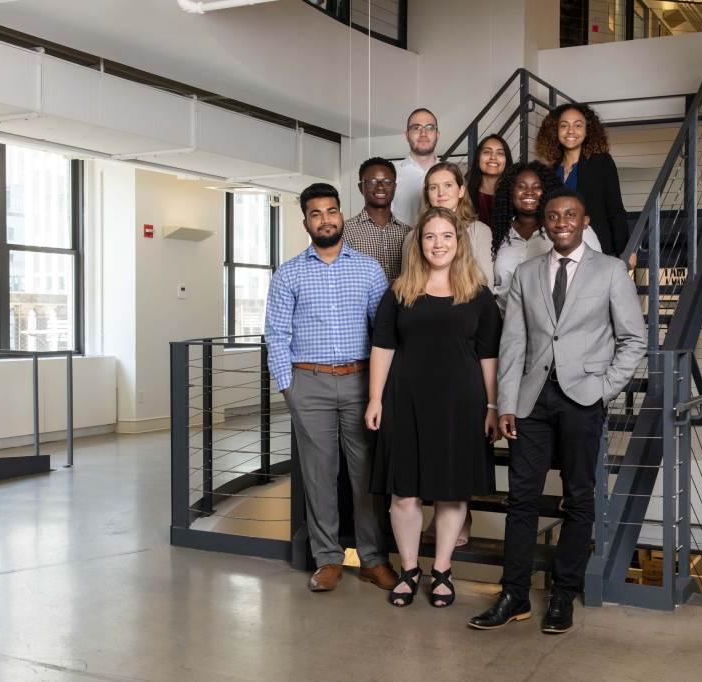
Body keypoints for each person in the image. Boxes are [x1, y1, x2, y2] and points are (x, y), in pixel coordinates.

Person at [468, 188, 646, 634]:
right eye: (553, 215)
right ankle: (514, 594)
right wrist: (506, 402)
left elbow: (634, 339)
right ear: (544, 223)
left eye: (570, 214)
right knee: (522, 499)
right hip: (531, 400)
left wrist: (603, 390)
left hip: (583, 399)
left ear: (585, 221)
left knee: (580, 499)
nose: (561, 221)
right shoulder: (527, 273)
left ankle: (563, 594)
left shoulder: (610, 271)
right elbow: (513, 343)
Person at [264, 182, 398, 594]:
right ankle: (328, 558)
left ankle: (373, 559)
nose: (325, 219)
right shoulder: (289, 273)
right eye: (316, 213)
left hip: (360, 383)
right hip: (310, 384)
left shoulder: (369, 269)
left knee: (365, 476)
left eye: (331, 211)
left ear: (342, 215)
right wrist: (290, 388)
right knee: (320, 476)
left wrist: (381, 389)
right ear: (305, 221)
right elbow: (275, 333)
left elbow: (384, 332)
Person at [367, 206, 501, 608]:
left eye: (446, 236)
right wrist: (375, 399)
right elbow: (382, 346)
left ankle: (442, 569)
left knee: (451, 493)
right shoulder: (399, 291)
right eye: (430, 236)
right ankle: (409, 569)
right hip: (404, 401)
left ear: (458, 243)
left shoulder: (479, 295)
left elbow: (489, 355)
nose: (438, 244)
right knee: (403, 495)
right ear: (419, 243)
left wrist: (492, 406)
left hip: (461, 404)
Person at [491, 161, 602, 313]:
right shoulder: (499, 235)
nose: (529, 192)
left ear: (547, 191)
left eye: (537, 187)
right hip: (504, 325)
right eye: (521, 186)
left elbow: (598, 277)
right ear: (511, 192)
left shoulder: (570, 230)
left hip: (556, 326)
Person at [536, 102, 635, 267]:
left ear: (587, 131)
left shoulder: (601, 162)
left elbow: (615, 210)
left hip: (597, 250)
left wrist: (625, 249)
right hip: (560, 253)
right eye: (564, 126)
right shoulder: (550, 170)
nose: (570, 131)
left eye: (578, 125)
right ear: (555, 131)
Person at [405, 162, 493, 290]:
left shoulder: (479, 231)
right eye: (434, 187)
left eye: (448, 185)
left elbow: (487, 283)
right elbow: (407, 287)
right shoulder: (411, 237)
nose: (441, 193)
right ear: (427, 194)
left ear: (461, 191)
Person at [344, 157, 411, 283]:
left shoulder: (409, 233)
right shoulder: (345, 232)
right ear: (360, 187)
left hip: (402, 302)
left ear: (395, 187)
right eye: (372, 182)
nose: (380, 187)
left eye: (387, 182)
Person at [392, 108, 439, 227]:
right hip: (400, 244)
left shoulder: (451, 174)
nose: (423, 133)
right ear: (407, 135)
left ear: (437, 134)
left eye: (429, 128)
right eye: (416, 128)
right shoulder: (391, 172)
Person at [466, 135, 511, 229]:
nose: (493, 157)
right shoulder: (464, 194)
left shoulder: (515, 194)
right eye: (487, 152)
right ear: (478, 158)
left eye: (500, 153)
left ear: (506, 160)